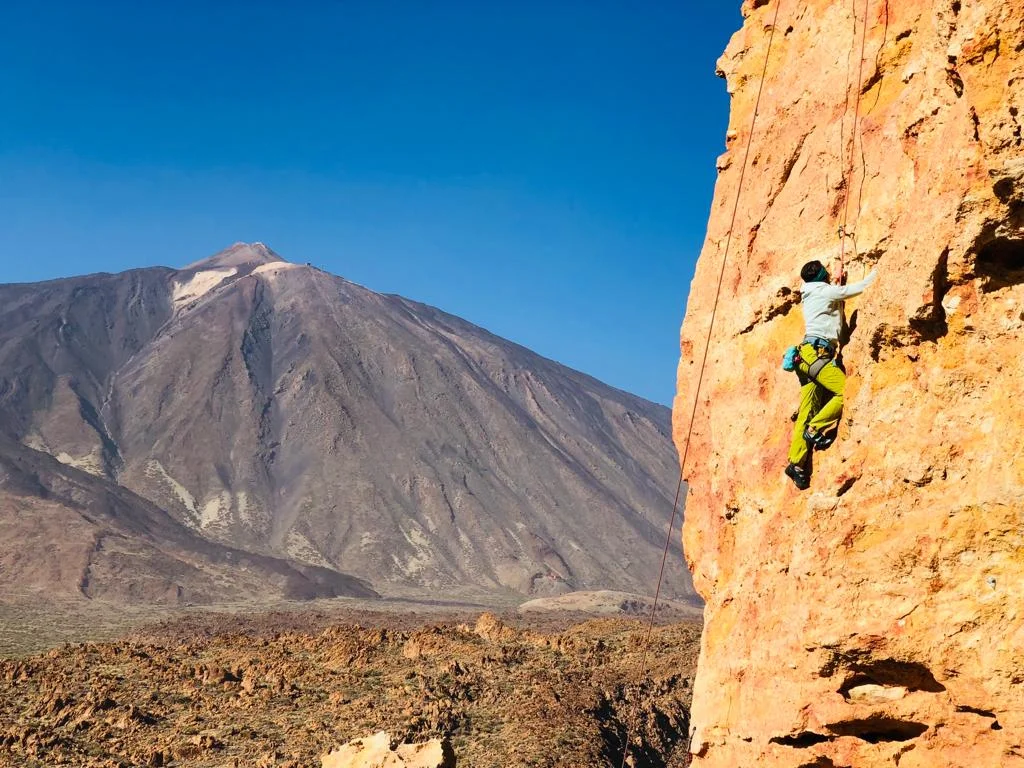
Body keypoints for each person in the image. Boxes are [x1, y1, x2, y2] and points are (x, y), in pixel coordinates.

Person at [785, 259, 878, 490]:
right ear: (821, 277)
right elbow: (853, 290)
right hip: (818, 354)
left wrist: (834, 279)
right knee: (844, 391)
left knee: (806, 409)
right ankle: (815, 429)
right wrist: (879, 273)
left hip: (806, 357)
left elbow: (831, 294)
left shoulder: (813, 292)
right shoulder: (825, 292)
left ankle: (796, 463)